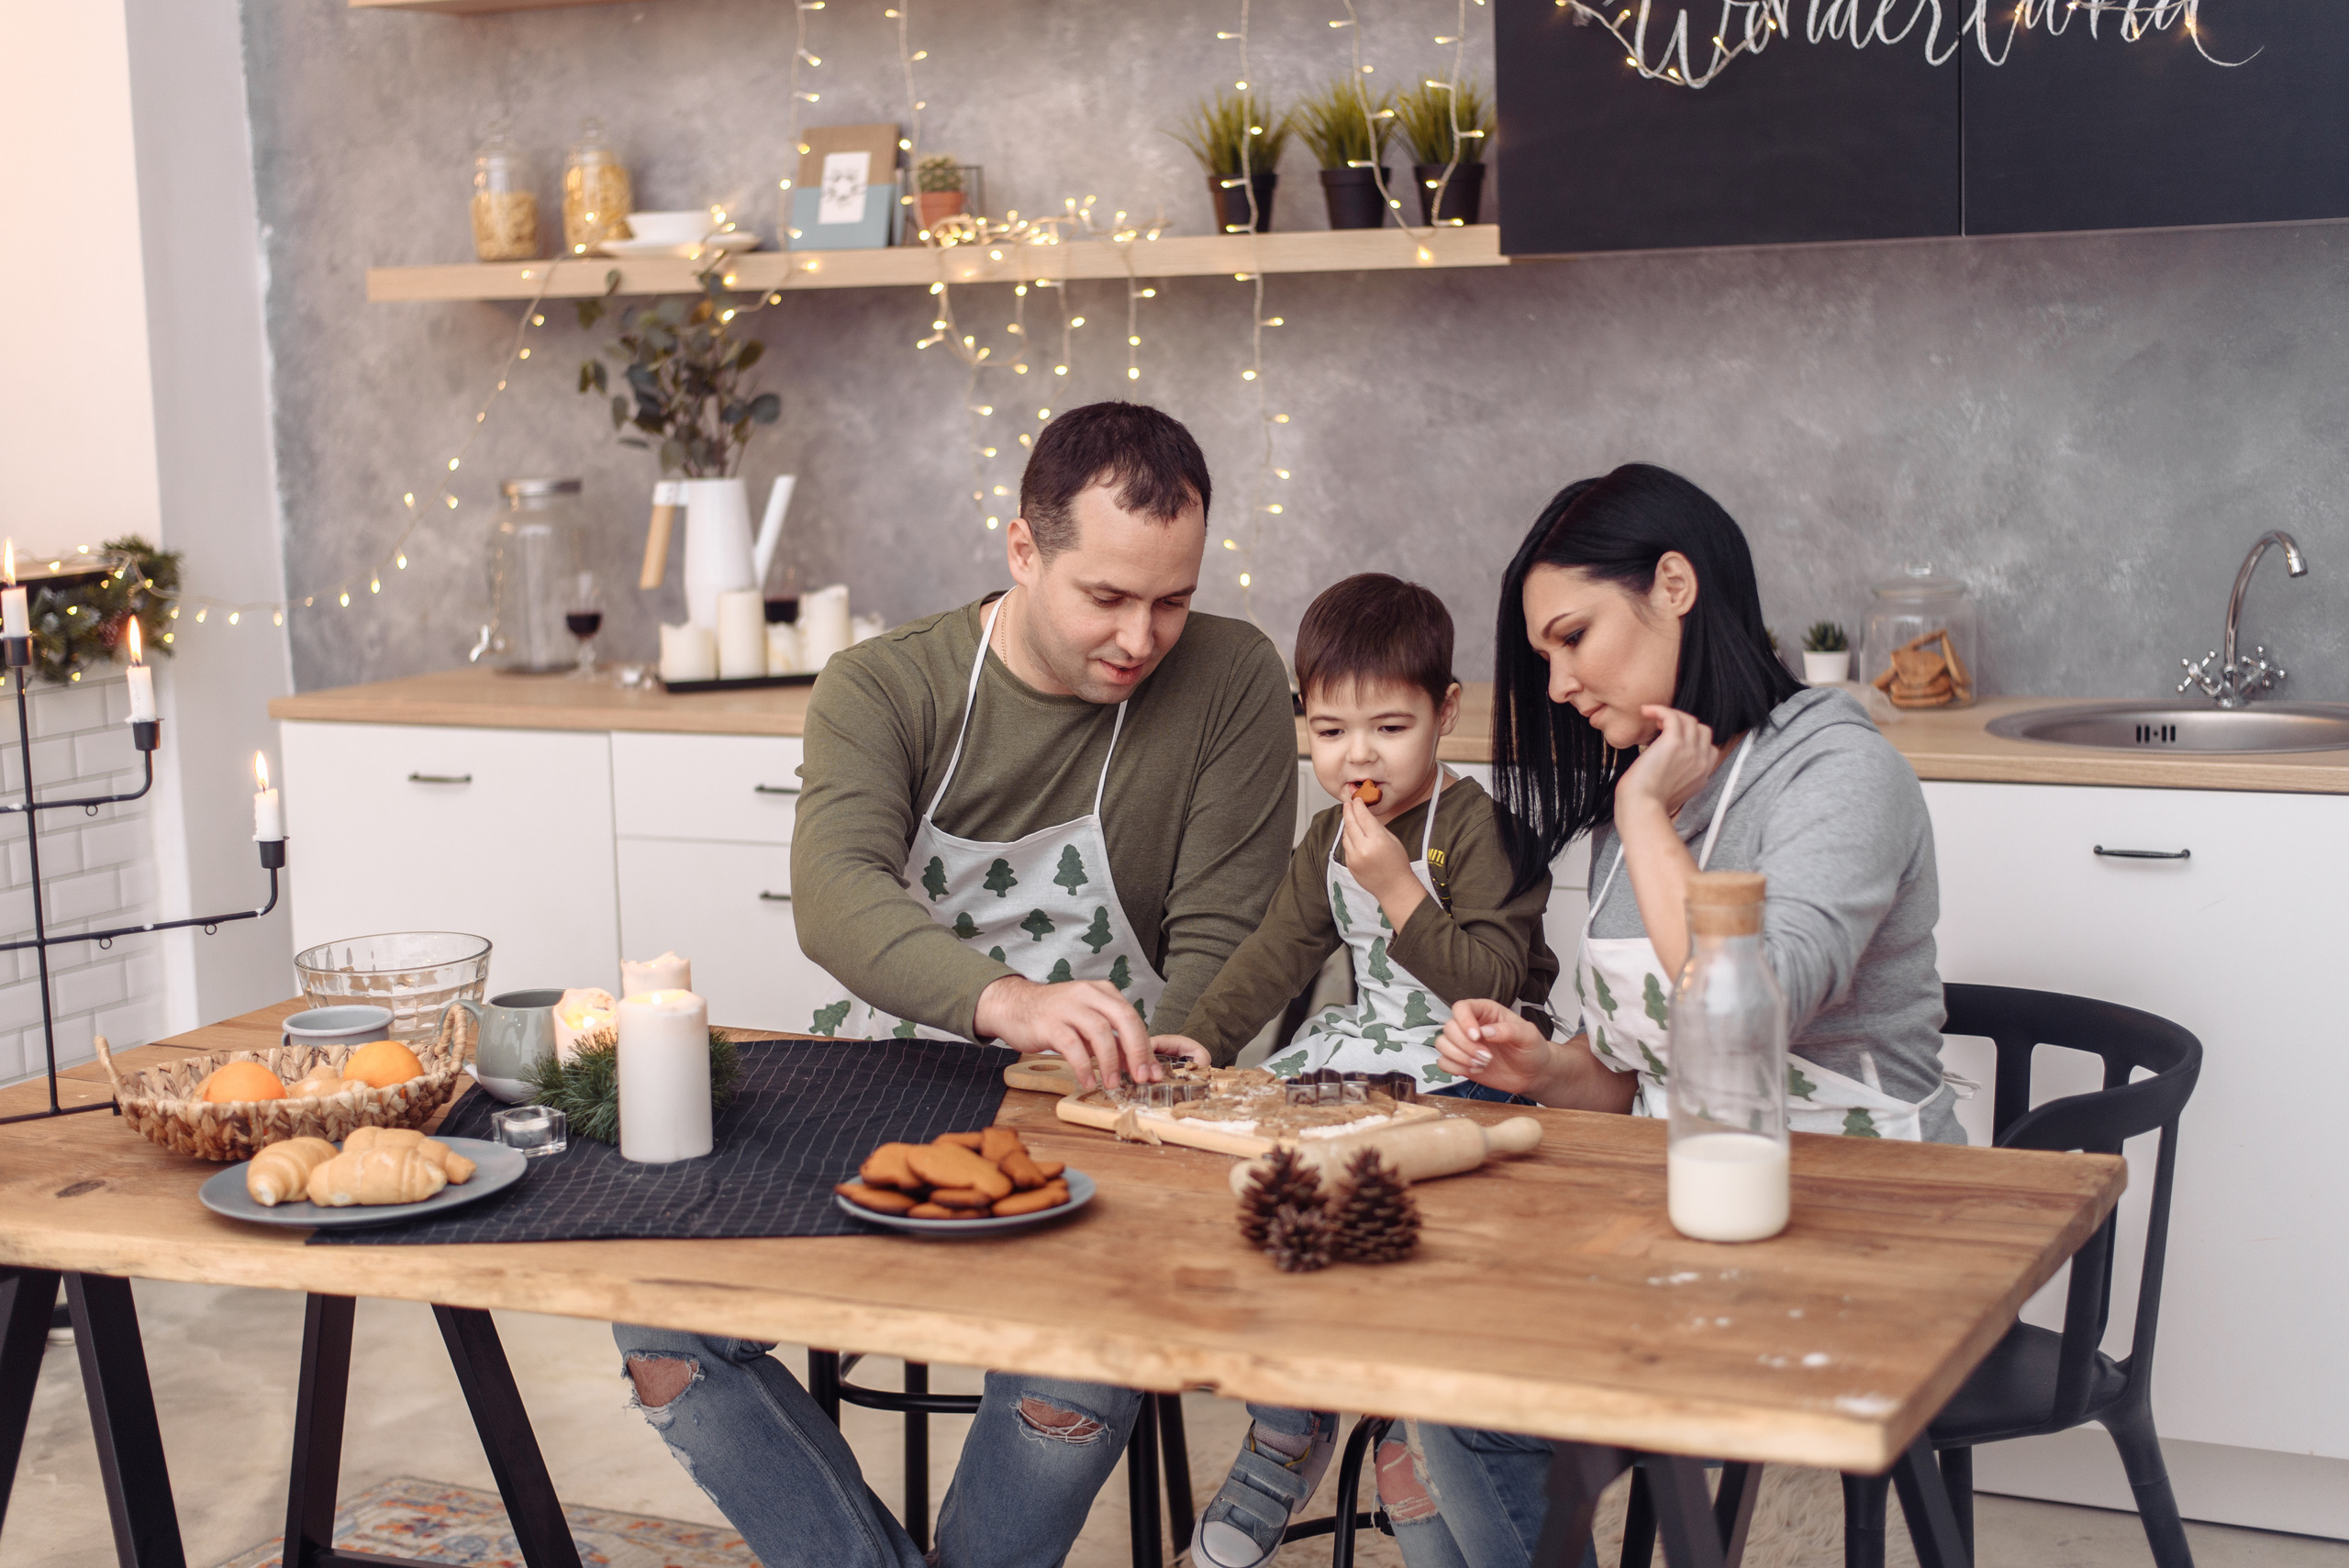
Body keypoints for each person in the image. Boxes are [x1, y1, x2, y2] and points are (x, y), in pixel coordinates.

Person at [612, 402, 1300, 1568]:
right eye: (1107, 597)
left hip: (1115, 1108)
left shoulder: (1231, 677)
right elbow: (834, 892)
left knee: (1078, 1355)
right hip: (881, 1085)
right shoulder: (882, 686)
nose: (1143, 636)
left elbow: (1225, 940)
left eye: (1171, 598)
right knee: (660, 1318)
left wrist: (1158, 1080)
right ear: (1022, 550)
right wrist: (1012, 1000)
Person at [1403, 462, 1958, 1568]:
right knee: (1438, 1353)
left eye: (1572, 637)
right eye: (1542, 655)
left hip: (1862, 1224)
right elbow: (1628, 1073)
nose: (1556, 682)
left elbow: (1751, 1015)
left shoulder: (1837, 772)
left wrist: (1644, 814)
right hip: (1678, 1206)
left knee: (1471, 1389)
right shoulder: (1645, 787)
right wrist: (1542, 1069)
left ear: (1672, 583)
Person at [1152, 573, 1560, 1568]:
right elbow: (1274, 951)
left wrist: (1393, 882)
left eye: (1387, 725)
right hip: (1365, 1055)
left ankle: (1398, 1423)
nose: (1357, 755)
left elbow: (1490, 979)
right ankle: (1287, 1424)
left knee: (1396, 1234)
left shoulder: (1481, 830)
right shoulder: (1326, 832)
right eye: (1330, 730)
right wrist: (1199, 1033)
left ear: (1446, 712)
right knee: (1273, 1187)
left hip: (1472, 1068)